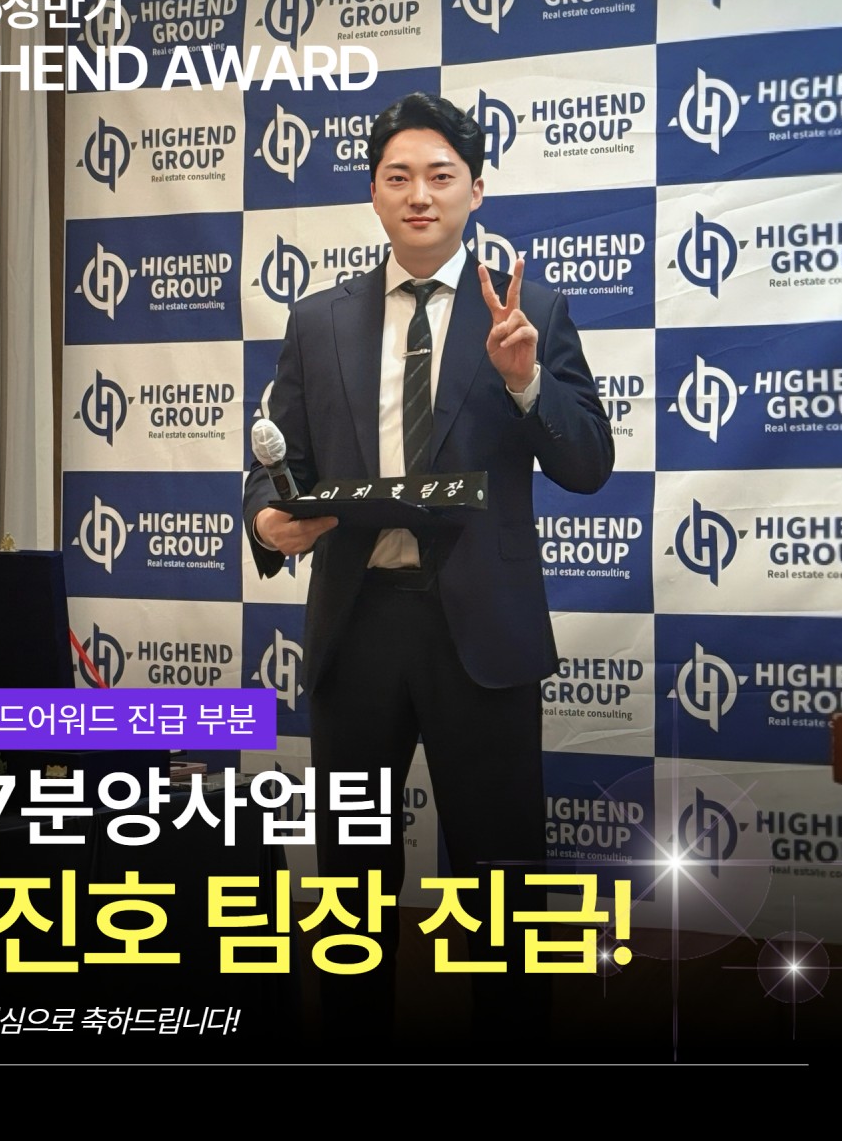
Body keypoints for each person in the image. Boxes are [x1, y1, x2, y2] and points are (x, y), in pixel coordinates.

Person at [243, 92, 613, 1052]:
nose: (420, 195)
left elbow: (588, 465)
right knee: (351, 881)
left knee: (503, 885)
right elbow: (277, 461)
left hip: (481, 636)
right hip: (357, 630)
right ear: (374, 194)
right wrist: (267, 519)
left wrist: (526, 380)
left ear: (475, 191)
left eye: (441, 176)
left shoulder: (529, 312)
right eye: (398, 176)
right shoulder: (318, 320)